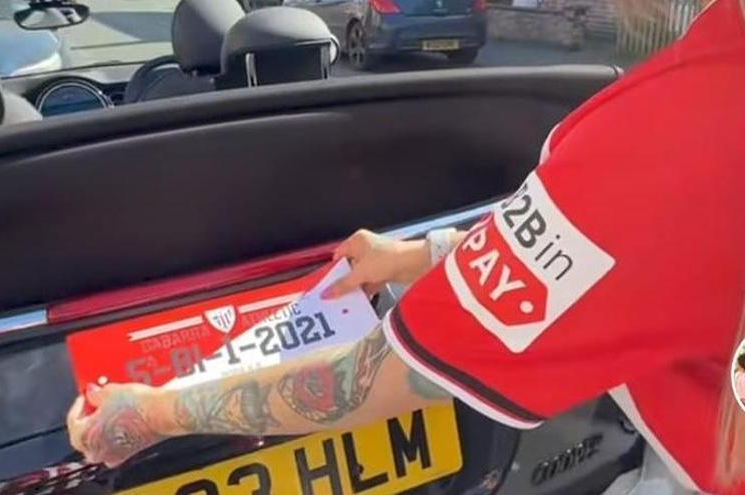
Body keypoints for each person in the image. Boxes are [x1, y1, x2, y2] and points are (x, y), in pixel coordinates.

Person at [67, 0, 745, 492]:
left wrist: (153, 412)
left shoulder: (677, 130)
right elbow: (623, 248)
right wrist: (424, 254)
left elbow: (375, 378)